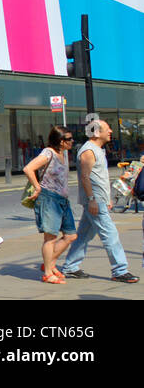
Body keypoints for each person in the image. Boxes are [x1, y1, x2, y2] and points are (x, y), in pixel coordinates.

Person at [61, 120, 138, 283]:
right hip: (94, 201)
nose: (110, 131)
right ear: (97, 133)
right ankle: (120, 270)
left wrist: (106, 197)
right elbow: (85, 177)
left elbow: (99, 178)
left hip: (98, 200)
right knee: (110, 234)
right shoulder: (88, 151)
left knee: (83, 235)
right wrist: (92, 200)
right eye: (107, 128)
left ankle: (70, 267)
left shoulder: (97, 150)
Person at [22, 125, 78, 284]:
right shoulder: (49, 153)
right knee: (50, 238)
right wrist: (37, 187)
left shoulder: (63, 154)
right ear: (60, 141)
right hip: (49, 198)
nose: (72, 141)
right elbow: (28, 168)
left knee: (71, 235)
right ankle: (48, 272)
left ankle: (49, 263)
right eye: (69, 139)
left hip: (62, 199)